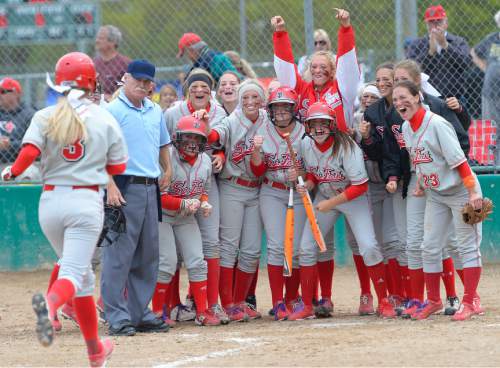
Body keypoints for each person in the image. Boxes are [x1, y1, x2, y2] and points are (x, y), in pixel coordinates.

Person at [1, 52, 128, 366]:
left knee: (82, 276)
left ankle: (95, 350)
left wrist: (12, 172)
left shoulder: (46, 115)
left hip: (50, 203)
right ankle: (50, 303)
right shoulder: (103, 117)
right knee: (73, 272)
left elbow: (29, 151)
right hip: (84, 203)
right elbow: (120, 165)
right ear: (92, 82)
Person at [287, 102, 396, 320]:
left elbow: (360, 186)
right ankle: (308, 305)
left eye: (323, 123)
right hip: (326, 195)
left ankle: (384, 300)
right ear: (307, 126)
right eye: (313, 123)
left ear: (332, 125)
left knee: (368, 246)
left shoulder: (348, 147)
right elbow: (314, 174)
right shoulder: (305, 145)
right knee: (306, 248)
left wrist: (330, 203)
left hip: (351, 198)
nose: (318, 128)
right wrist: (307, 184)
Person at [379, 60, 470, 317]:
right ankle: (422, 300)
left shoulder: (439, 107)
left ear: (417, 85)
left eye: (402, 80)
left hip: (447, 182)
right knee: (416, 242)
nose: (396, 86)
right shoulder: (394, 114)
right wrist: (397, 176)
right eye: (394, 80)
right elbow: (397, 152)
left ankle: (463, 296)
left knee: (451, 242)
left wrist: (447, 174)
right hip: (418, 181)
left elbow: (462, 141)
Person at [393, 80, 484, 321]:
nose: (400, 103)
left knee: (466, 246)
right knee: (429, 247)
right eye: (395, 100)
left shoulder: (437, 124)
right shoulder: (405, 127)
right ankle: (433, 300)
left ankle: (470, 301)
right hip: (436, 194)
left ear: (418, 96)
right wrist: (422, 184)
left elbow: (459, 161)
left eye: (404, 97)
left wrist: (474, 193)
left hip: (462, 192)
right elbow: (421, 160)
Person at [101, 59, 172, 336]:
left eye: (147, 82)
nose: (143, 86)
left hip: (149, 185)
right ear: (125, 79)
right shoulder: (112, 111)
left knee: (147, 254)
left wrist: (167, 168)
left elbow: (163, 142)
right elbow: (100, 151)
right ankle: (117, 316)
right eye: (138, 81)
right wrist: (109, 184)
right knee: (118, 255)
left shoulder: (154, 110)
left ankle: (139, 312)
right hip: (123, 184)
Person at [164, 68, 228, 323]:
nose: (199, 90)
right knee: (172, 254)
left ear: (210, 90)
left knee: (211, 243)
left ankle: (210, 304)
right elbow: (163, 144)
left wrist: (220, 156)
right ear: (186, 90)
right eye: (194, 87)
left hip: (204, 181)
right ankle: (171, 306)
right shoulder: (172, 112)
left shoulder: (219, 112)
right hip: (176, 180)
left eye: (204, 86)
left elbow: (223, 145)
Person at [206, 79, 267, 322]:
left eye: (255, 97)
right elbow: (216, 135)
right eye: (245, 98)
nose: (250, 102)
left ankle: (240, 301)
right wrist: (205, 127)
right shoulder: (232, 120)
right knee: (229, 247)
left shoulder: (267, 119)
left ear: (262, 100)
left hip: (256, 189)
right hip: (232, 187)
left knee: (252, 250)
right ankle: (228, 303)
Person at [152, 115, 221, 326]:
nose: (192, 142)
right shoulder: (166, 158)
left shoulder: (206, 161)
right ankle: (157, 313)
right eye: (188, 137)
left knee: (197, 262)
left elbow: (204, 191)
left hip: (185, 218)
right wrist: (183, 204)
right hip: (162, 217)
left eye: (197, 138)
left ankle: (202, 312)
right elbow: (158, 196)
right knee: (167, 262)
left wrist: (205, 202)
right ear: (177, 138)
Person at [249, 86, 305, 321]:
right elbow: (258, 170)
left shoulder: (305, 132)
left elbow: (314, 169)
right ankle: (277, 301)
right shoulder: (263, 130)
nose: (281, 112)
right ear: (270, 110)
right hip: (272, 191)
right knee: (275, 246)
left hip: (299, 193)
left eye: (285, 107)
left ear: (293, 109)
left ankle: (292, 297)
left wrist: (301, 172)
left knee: (297, 248)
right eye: (276, 107)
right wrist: (256, 151)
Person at [271, 8, 360, 131]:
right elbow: (286, 69)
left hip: (340, 145)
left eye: (323, 67)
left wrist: (345, 28)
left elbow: (347, 64)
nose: (318, 70)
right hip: (310, 147)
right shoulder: (302, 89)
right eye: (314, 67)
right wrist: (280, 34)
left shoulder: (342, 90)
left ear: (333, 71)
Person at [405, 5, 471, 101]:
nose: (435, 25)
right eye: (431, 22)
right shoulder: (416, 44)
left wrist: (446, 45)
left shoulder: (458, 41)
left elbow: (466, 63)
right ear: (426, 24)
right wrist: (430, 53)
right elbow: (410, 70)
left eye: (439, 21)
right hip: (425, 97)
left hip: (455, 97)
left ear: (446, 23)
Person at [0, 77, 37, 179]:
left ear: (16, 94)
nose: (0, 95)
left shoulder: (29, 115)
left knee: (27, 174)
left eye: (3, 91)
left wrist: (10, 144)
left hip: (21, 164)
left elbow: (36, 144)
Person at [471, 10, 500, 132]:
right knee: (491, 127)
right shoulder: (491, 39)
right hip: (490, 91)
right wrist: (486, 69)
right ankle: (492, 150)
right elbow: (473, 52)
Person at [94, 25, 131, 101]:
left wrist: (111, 97)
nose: (97, 41)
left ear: (113, 42)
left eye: (101, 38)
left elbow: (132, 90)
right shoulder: (93, 63)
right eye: (97, 38)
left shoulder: (126, 64)